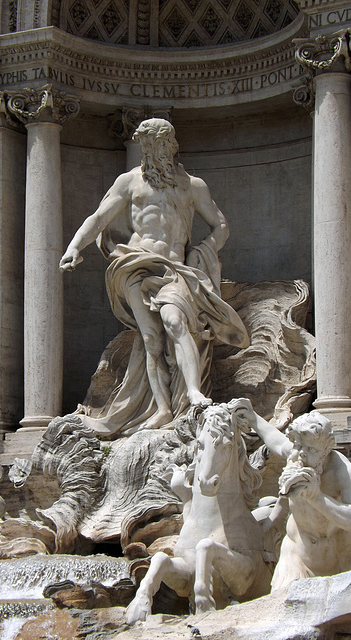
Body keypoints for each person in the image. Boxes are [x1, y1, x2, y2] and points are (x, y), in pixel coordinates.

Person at [60, 118, 249, 434]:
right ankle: (162, 409)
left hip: (175, 268)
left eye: (158, 144)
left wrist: (202, 250)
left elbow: (221, 225)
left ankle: (193, 393)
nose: (151, 151)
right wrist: (75, 246)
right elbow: (98, 217)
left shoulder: (192, 185)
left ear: (171, 146)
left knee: (175, 322)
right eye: (146, 145)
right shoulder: (130, 182)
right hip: (135, 264)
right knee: (150, 339)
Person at [234, 400, 351, 590]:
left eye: (311, 450)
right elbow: (276, 440)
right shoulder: (296, 454)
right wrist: (253, 418)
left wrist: (317, 498)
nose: (301, 454)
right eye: (298, 446)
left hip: (339, 564)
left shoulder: (342, 472)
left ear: (327, 448)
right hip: (296, 557)